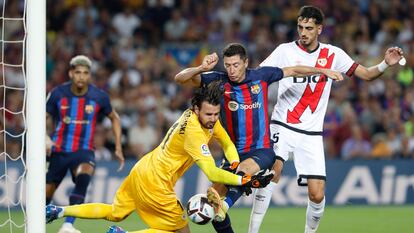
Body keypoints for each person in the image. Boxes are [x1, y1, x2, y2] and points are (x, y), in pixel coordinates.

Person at [249, 6, 405, 233]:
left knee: (317, 193)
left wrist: (384, 64)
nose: (303, 32)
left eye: (309, 28)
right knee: (273, 171)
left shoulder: (334, 55)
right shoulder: (284, 50)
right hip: (283, 122)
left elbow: (367, 75)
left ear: (319, 29)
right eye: (300, 27)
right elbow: (258, 76)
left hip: (311, 133)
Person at [45, 81, 275, 233]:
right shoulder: (194, 132)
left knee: (115, 212)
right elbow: (213, 173)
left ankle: (59, 211)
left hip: (144, 168)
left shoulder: (199, 117)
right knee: (180, 232)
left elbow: (225, 141)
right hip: (157, 181)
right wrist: (244, 180)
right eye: (209, 114)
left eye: (216, 114)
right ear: (196, 109)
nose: (213, 118)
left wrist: (235, 164)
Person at [174, 43, 343, 233]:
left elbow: (294, 70)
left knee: (236, 180)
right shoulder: (219, 80)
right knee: (213, 202)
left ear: (246, 63)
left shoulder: (261, 76)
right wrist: (201, 68)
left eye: (236, 65)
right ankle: (223, 208)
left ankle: (227, 205)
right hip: (232, 154)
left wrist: (323, 70)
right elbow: (180, 78)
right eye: (228, 65)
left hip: (261, 150)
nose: (231, 70)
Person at [46, 55, 125, 233]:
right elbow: (43, 116)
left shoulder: (99, 97)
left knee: (84, 175)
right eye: (78, 72)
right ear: (70, 74)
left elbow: (115, 118)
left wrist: (118, 147)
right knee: (45, 195)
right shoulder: (58, 94)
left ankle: (68, 226)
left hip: (84, 150)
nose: (81, 76)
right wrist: (44, 138)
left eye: (85, 73)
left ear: (89, 75)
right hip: (59, 150)